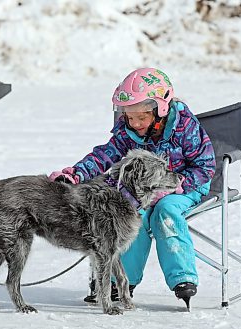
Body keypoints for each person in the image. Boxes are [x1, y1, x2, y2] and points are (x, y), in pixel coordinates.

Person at [49, 67, 216, 309]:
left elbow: (205, 165)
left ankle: (183, 278)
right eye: (129, 116)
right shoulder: (128, 131)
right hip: (142, 193)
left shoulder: (185, 128)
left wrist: (178, 184)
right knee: (129, 215)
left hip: (185, 186)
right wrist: (76, 174)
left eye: (141, 117)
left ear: (160, 110)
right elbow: (105, 155)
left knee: (165, 211)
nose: (134, 123)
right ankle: (120, 281)